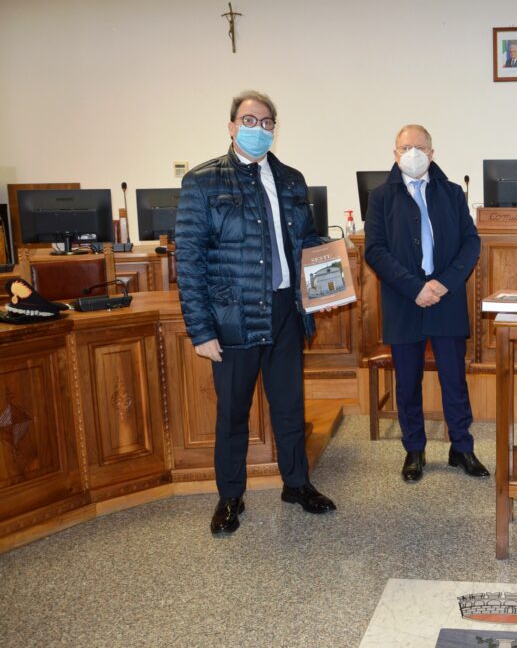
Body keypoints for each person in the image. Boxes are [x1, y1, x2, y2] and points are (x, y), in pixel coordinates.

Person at [175, 90, 337, 536]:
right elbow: (188, 261)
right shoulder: (202, 182)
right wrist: (201, 329)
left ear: (274, 129)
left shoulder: (290, 179)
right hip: (234, 316)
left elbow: (303, 243)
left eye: (267, 122)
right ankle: (230, 497)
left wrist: (329, 276)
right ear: (231, 127)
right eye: (249, 120)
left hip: (285, 309)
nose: (258, 129)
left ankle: (297, 484)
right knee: (232, 412)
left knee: (289, 406)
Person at [363, 124, 488, 483]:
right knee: (407, 381)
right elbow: (375, 250)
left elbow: (471, 242)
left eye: (420, 147)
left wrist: (443, 284)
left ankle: (461, 447)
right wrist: (415, 288)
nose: (412, 153)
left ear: (432, 154)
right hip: (404, 301)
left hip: (445, 300)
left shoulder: (450, 193)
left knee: (454, 379)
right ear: (394, 153)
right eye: (405, 147)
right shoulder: (381, 197)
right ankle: (414, 449)